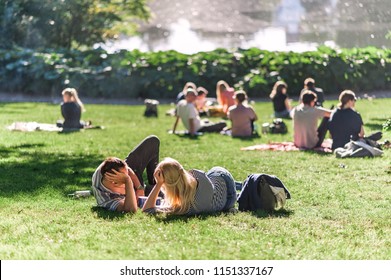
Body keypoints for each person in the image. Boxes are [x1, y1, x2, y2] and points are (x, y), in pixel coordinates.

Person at [142, 157, 237, 215]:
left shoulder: (182, 208)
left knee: (210, 176)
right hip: (225, 184)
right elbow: (186, 178)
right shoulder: (197, 176)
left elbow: (147, 210)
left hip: (224, 200)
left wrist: (159, 184)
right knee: (211, 173)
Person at [91, 135, 160, 213]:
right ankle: (157, 187)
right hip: (131, 197)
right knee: (164, 197)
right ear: (115, 182)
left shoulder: (106, 166)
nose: (127, 174)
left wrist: (139, 187)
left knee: (153, 141)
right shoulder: (107, 199)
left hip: (137, 186)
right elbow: (131, 210)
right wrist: (128, 181)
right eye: (125, 177)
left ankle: (155, 181)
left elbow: (127, 168)